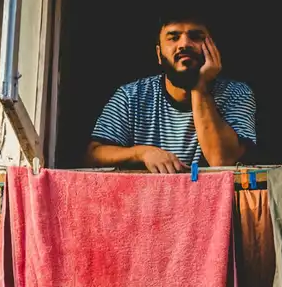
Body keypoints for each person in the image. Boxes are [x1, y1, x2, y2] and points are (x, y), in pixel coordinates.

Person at [85, 13, 256, 173]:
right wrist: (142, 153)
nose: (184, 44)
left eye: (195, 37)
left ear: (214, 48)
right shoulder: (131, 96)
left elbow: (221, 161)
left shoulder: (237, 94)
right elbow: (94, 155)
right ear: (159, 54)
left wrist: (199, 87)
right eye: (173, 38)